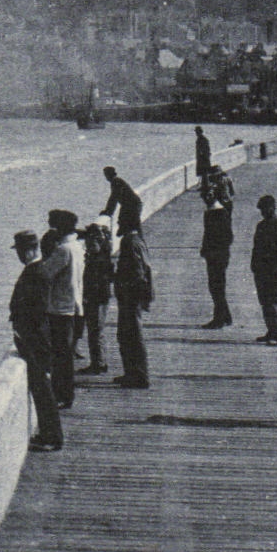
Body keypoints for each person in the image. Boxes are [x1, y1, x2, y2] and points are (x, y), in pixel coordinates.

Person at [9, 230, 62, 452]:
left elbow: (37, 311)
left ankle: (52, 437)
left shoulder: (37, 273)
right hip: (34, 339)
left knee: (43, 390)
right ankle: (48, 434)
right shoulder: (37, 270)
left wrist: (27, 335)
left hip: (35, 341)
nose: (19, 256)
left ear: (30, 250)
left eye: (20, 251)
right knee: (41, 389)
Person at [39, 209, 84, 410]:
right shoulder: (76, 247)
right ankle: (65, 394)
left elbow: (45, 273)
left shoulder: (63, 250)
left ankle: (62, 395)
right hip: (73, 306)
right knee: (65, 354)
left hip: (60, 308)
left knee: (60, 356)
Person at [250, 194, 277, 345]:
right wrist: (254, 265)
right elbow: (256, 248)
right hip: (260, 270)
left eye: (265, 209)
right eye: (261, 209)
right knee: (265, 302)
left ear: (273, 208)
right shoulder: (261, 225)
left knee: (274, 302)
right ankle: (271, 331)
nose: (263, 212)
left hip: (273, 271)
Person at [112, 228, 153, 388]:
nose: (118, 222)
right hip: (131, 295)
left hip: (130, 296)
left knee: (132, 335)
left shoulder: (130, 242)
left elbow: (137, 272)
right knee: (127, 335)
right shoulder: (136, 240)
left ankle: (139, 376)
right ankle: (132, 373)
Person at [78, 216, 114, 374]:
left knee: (95, 331)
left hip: (96, 298)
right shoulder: (104, 257)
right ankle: (100, 361)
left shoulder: (97, 261)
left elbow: (94, 281)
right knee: (97, 330)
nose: (87, 244)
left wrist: (87, 296)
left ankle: (98, 363)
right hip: (101, 297)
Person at [199, 169, 235, 329]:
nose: (205, 199)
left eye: (207, 196)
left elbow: (227, 236)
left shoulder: (218, 212)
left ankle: (219, 318)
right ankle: (225, 316)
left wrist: (212, 249)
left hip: (217, 255)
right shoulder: (214, 211)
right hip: (216, 254)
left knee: (216, 286)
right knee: (217, 286)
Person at [100, 166, 143, 238]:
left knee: (131, 224)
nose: (106, 177)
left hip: (132, 205)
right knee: (131, 224)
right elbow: (113, 198)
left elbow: (114, 197)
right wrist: (109, 210)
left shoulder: (116, 181)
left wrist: (108, 211)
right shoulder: (116, 181)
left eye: (106, 175)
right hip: (131, 205)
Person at [194, 126, 211, 194]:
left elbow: (205, 149)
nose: (196, 133)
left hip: (203, 158)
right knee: (203, 172)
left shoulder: (202, 139)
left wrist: (203, 155)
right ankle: (204, 186)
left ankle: (206, 186)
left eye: (197, 132)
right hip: (201, 158)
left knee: (204, 172)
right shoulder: (200, 139)